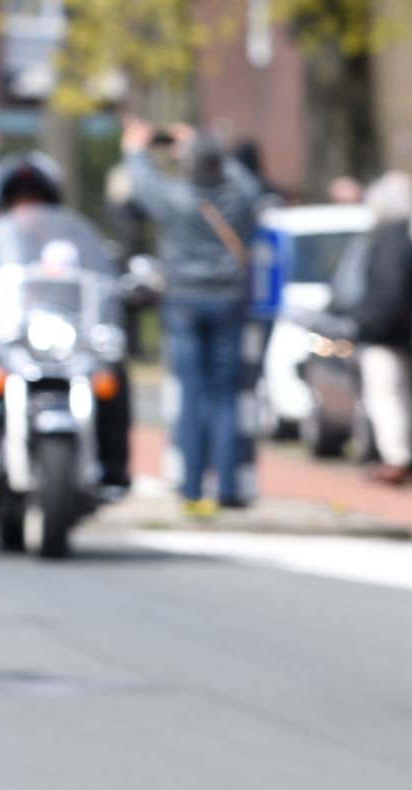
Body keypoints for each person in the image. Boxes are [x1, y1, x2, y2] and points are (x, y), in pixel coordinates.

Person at [122, 117, 262, 517]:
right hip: (228, 301)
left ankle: (191, 485)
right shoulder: (237, 198)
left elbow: (144, 184)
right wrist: (200, 143)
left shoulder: (177, 197)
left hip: (184, 300)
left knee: (192, 394)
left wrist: (135, 149)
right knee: (224, 396)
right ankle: (229, 486)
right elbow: (252, 186)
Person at [0, 153, 135, 499]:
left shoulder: (74, 242)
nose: (27, 207)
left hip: (59, 342)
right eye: (20, 200)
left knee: (112, 374)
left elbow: (100, 279)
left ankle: (112, 467)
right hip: (10, 340)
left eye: (34, 199)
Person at [351, 171, 412, 486]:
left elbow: (388, 294)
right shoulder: (410, 242)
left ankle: (395, 459)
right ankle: (400, 457)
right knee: (400, 395)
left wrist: (369, 325)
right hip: (402, 333)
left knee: (385, 396)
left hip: (383, 335)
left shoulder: (388, 244)